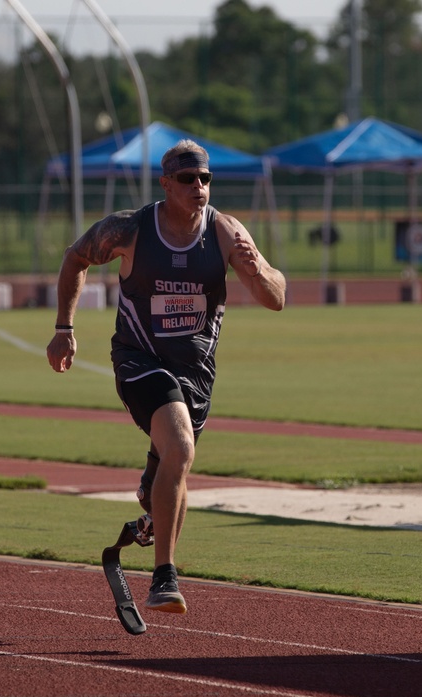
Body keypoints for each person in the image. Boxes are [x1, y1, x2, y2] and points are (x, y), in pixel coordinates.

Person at [46, 140, 286, 614]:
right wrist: (63, 328)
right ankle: (164, 577)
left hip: (196, 372)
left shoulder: (224, 233)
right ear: (165, 184)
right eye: (187, 179)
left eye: (205, 179)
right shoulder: (132, 229)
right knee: (181, 446)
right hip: (139, 359)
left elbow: (276, 296)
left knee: (176, 460)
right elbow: (76, 257)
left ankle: (151, 491)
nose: (198, 187)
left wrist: (258, 271)